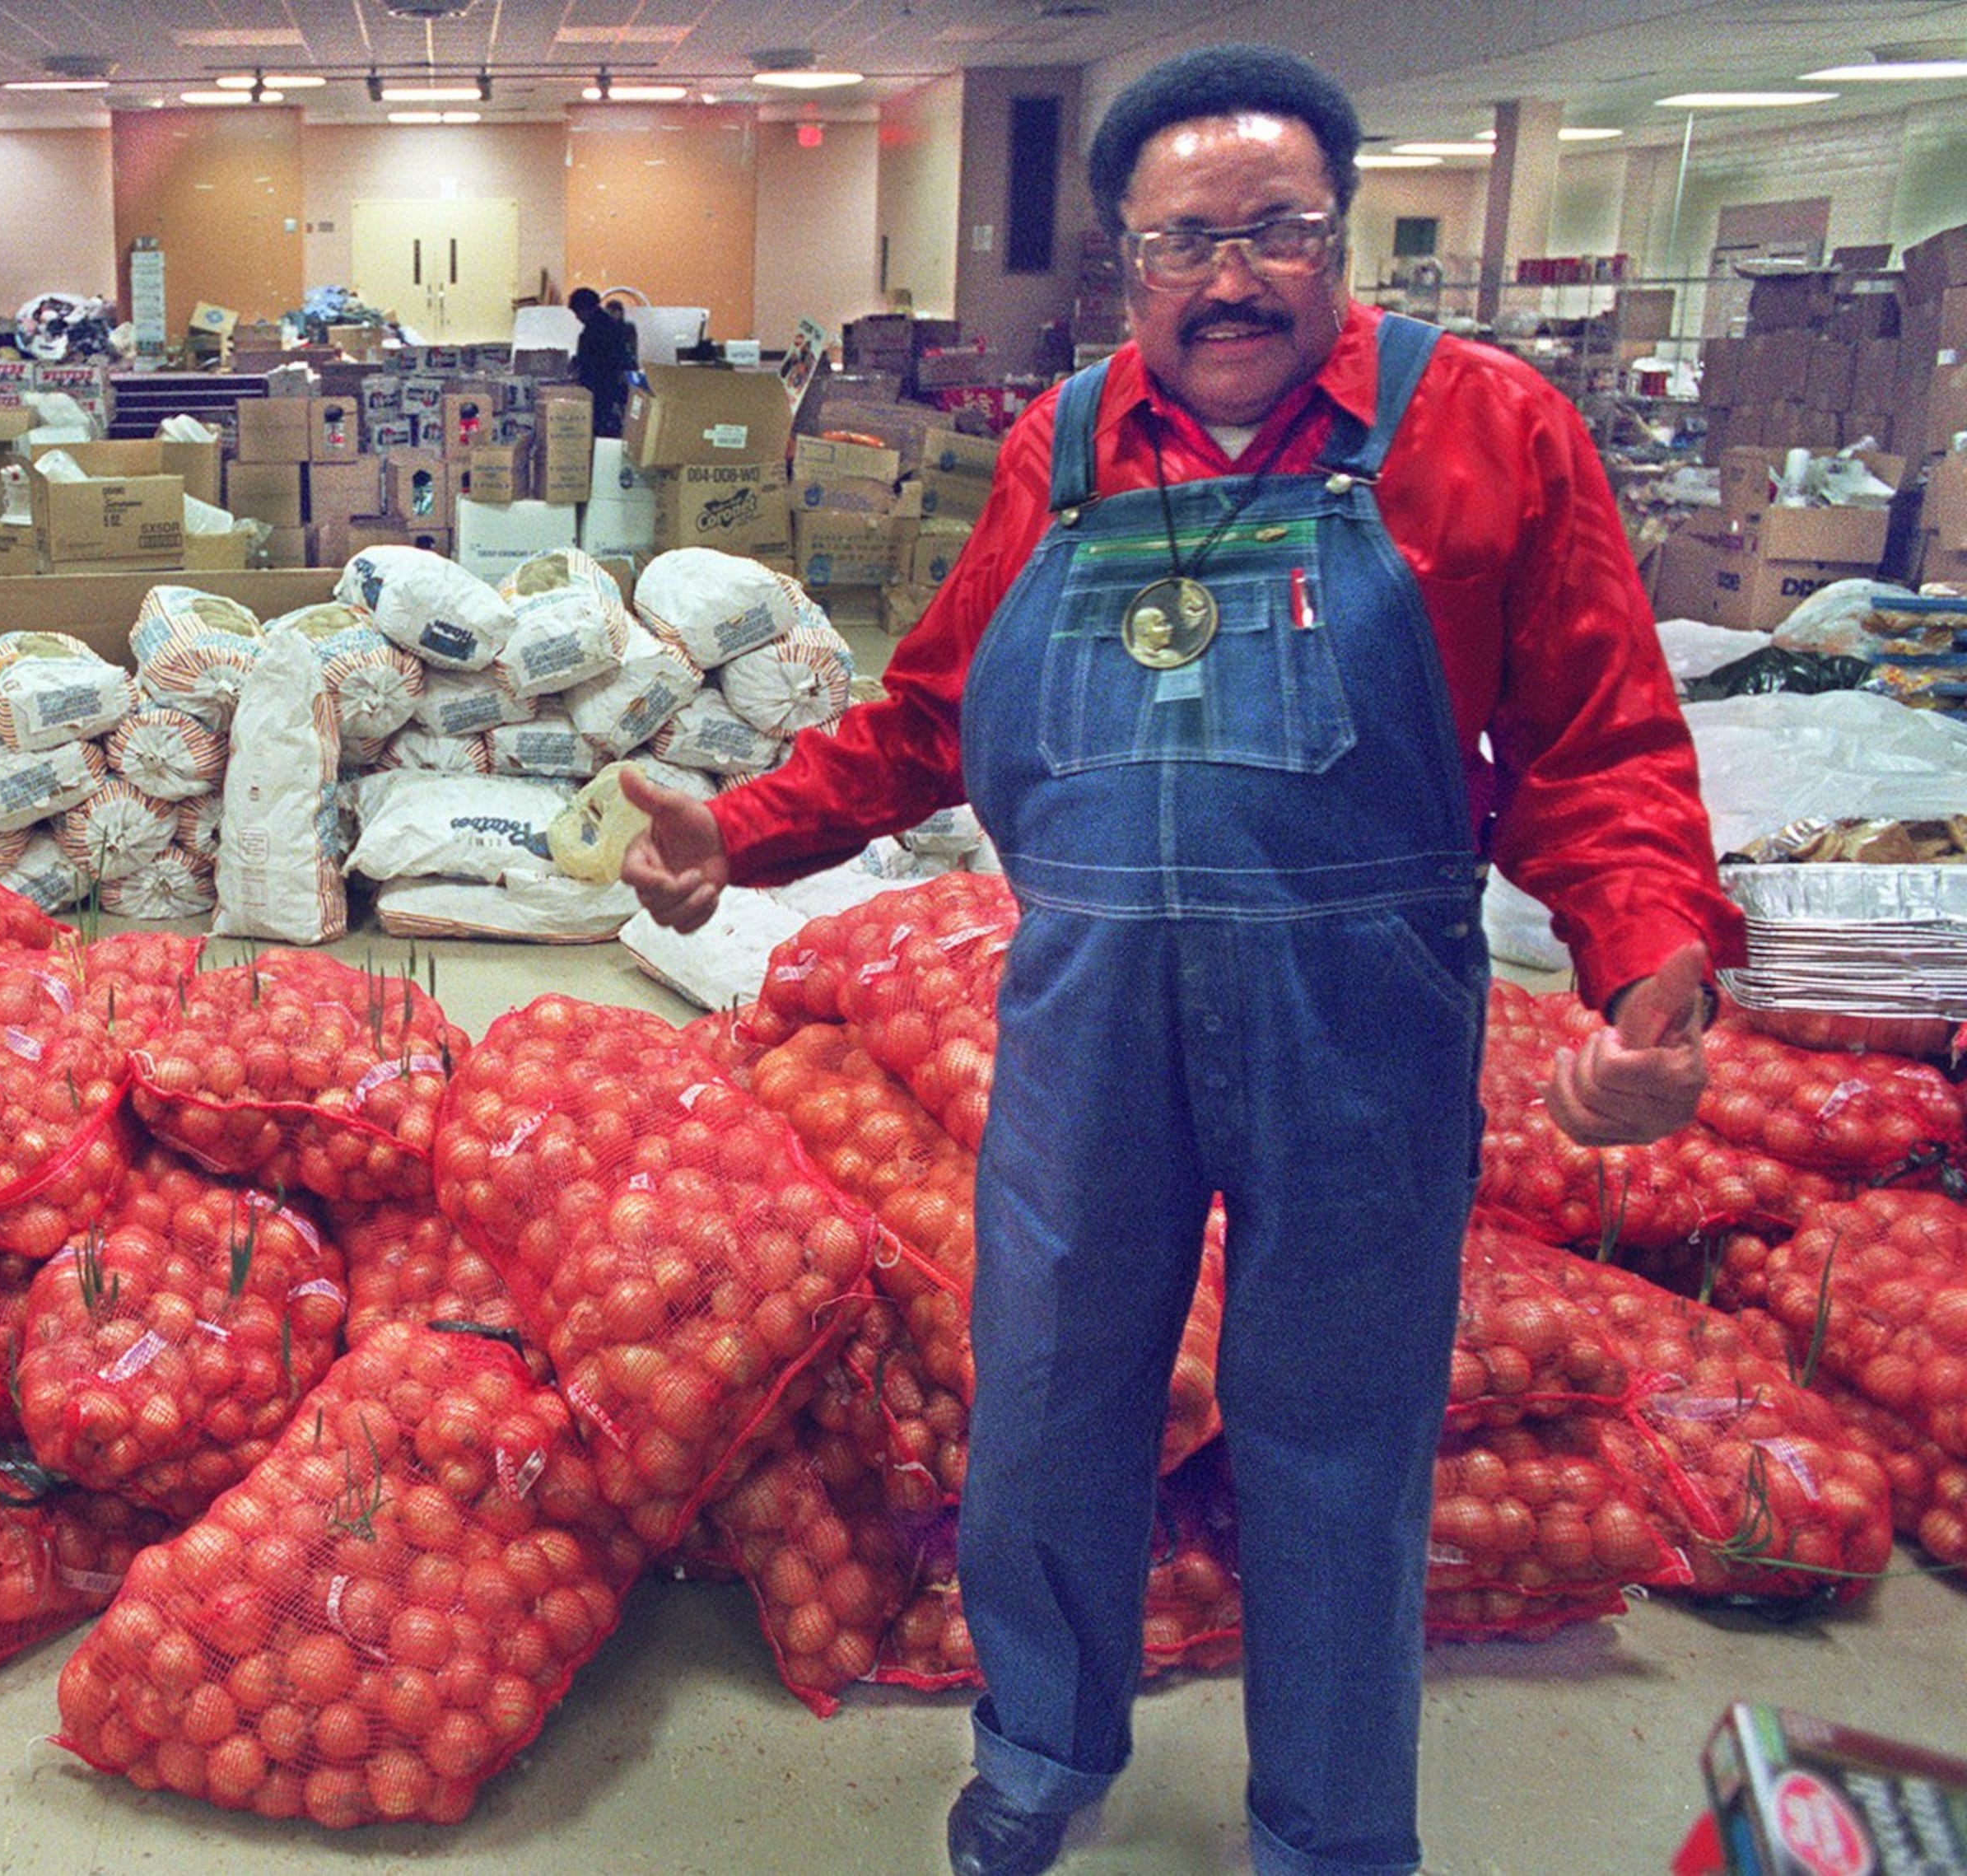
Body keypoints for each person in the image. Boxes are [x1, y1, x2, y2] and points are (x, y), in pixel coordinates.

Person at [619, 44, 1738, 1876]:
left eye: (1276, 231)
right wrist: (739, 833)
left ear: (1344, 236)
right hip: (1089, 1010)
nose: (1230, 279)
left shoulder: (1491, 428)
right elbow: (931, 714)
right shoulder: (1064, 446)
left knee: (1336, 1434)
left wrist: (1648, 970)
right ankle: (1043, 1751)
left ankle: (1329, 1827)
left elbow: (1600, 745)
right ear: (1122, 262)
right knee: (1051, 1398)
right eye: (1181, 242)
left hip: (1357, 1015)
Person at [567, 286, 638, 438]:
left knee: (599, 429)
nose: (577, 317)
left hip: (602, 388)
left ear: (586, 309)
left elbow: (592, 360)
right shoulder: (606, 325)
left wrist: (576, 366)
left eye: (577, 313)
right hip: (608, 387)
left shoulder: (597, 329)